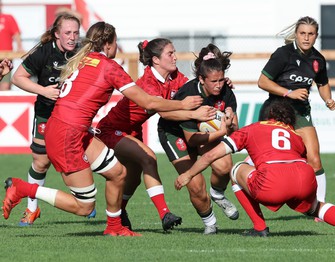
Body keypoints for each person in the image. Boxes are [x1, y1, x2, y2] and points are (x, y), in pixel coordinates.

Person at [2, 21, 202, 236]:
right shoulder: (109, 67)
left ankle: (114, 227)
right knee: (85, 206)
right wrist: (184, 105)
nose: (117, 47)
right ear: (108, 44)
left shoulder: (82, 59)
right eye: (116, 42)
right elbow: (148, 102)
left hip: (73, 129)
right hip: (67, 134)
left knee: (118, 173)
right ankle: (24, 188)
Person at [175, 98, 335, 237]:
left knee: (236, 170)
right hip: (304, 178)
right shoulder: (294, 134)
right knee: (315, 208)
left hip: (273, 183)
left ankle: (260, 227)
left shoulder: (251, 130)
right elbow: (295, 156)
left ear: (264, 115)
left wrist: (188, 175)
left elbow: (211, 155)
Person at [96, 38, 216, 231]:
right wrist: (192, 112)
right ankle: (164, 214)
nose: (175, 57)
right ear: (156, 60)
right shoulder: (148, 83)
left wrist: (217, 84)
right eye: (170, 53)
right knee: (149, 158)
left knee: (133, 178)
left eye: (174, 52)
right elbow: (163, 110)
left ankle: (119, 212)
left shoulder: (174, 75)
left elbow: (193, 89)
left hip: (133, 130)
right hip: (110, 130)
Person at [157, 43, 239, 234]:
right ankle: (210, 223)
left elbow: (235, 129)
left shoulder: (226, 90)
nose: (219, 85)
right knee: (195, 185)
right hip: (175, 134)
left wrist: (230, 122)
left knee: (224, 165)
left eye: (221, 80)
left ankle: (217, 194)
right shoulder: (189, 94)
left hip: (203, 134)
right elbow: (192, 140)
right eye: (214, 81)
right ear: (202, 79)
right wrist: (222, 132)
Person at [257, 16, 335, 211]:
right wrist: (288, 93)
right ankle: (253, 196)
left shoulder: (318, 59)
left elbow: (323, 84)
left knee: (314, 158)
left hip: (301, 112)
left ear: (316, 36)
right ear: (297, 34)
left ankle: (320, 206)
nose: (306, 38)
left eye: (310, 34)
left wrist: (328, 99)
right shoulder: (283, 55)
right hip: (275, 110)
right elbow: (262, 82)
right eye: (302, 33)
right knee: (264, 160)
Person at [10, 13, 82, 226]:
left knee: (79, 157)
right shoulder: (43, 52)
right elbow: (17, 78)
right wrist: (43, 91)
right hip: (46, 113)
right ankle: (32, 209)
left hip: (74, 115)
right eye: (67, 33)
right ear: (57, 34)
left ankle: (86, 201)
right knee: (41, 162)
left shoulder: (83, 53)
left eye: (76, 33)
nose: (72, 37)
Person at [0, 2, 23, 91]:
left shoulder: (8, 18)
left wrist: (19, 47)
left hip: (5, 57)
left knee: (5, 86)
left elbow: (16, 33)